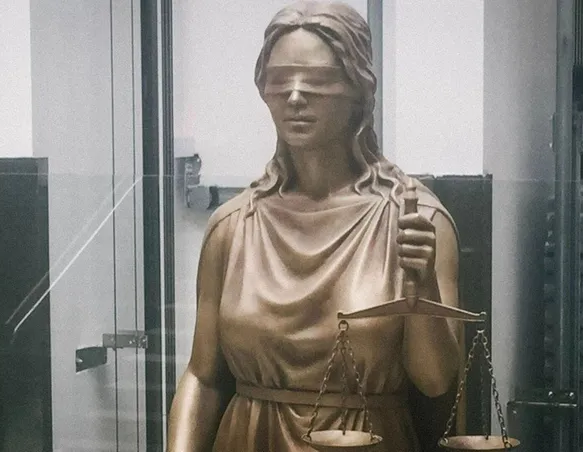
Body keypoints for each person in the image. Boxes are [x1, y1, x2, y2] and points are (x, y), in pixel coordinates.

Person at [167, 2, 463, 451]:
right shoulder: (232, 227)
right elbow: (203, 376)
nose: (295, 96)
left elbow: (437, 382)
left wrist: (421, 286)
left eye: (317, 81)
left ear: (358, 88)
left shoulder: (414, 221)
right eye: (279, 80)